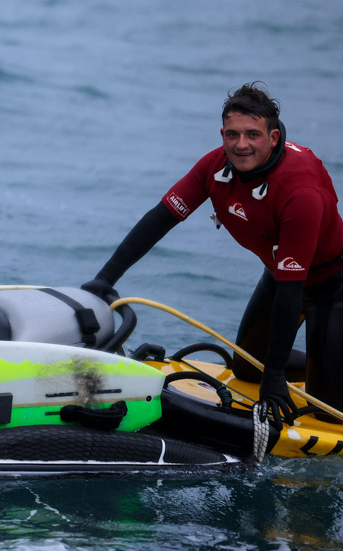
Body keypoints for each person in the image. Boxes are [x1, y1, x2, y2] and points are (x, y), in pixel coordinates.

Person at [82, 83, 343, 423]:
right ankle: (325, 364)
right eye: (232, 135)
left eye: (253, 134)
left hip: (333, 285)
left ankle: (331, 371)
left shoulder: (300, 190)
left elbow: (293, 290)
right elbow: (160, 219)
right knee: (247, 369)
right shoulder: (215, 167)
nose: (241, 144)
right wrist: (105, 279)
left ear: (273, 137)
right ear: (223, 135)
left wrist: (276, 375)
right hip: (278, 274)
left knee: (330, 413)